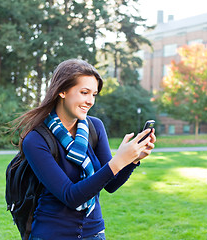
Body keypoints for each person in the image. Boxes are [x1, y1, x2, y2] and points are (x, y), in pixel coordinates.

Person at [12, 59, 156, 240]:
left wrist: (132, 159)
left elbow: (111, 185)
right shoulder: (36, 139)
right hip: (52, 234)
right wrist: (118, 161)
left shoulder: (95, 127)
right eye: (84, 92)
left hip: (94, 233)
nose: (90, 101)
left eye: (94, 94)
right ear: (62, 91)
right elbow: (70, 196)